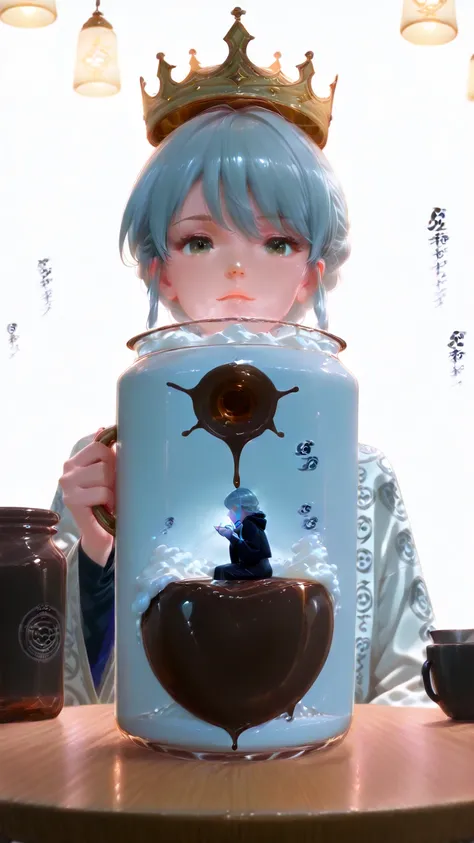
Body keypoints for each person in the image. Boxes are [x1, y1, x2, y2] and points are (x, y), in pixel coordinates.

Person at [52, 22, 435, 709]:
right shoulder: (105, 468)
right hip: (150, 768)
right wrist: (95, 552)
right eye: (199, 241)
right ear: (160, 269)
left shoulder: (361, 474)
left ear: (311, 273)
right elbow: (57, 697)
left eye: (277, 242)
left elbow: (404, 683)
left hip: (322, 768)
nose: (236, 268)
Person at [214, 488, 273, 581]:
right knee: (222, 569)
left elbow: (252, 554)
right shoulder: (247, 525)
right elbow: (237, 557)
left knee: (221, 571)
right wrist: (233, 533)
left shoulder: (249, 524)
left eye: (231, 510)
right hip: (257, 568)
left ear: (242, 508)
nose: (228, 514)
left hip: (258, 570)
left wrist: (231, 536)